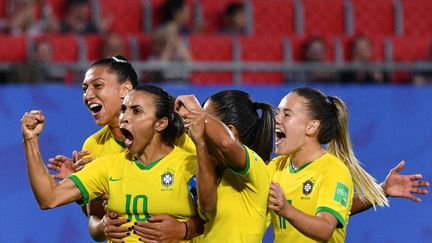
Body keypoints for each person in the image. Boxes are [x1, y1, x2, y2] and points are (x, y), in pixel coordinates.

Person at [21, 85, 200, 242]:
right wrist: (31, 141)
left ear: (161, 124)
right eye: (124, 109)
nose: (124, 117)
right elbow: (49, 198)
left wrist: (185, 229)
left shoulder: (188, 165)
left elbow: (218, 216)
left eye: (136, 111)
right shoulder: (107, 167)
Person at [267, 87, 388, 242]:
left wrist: (286, 209)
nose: (277, 118)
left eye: (287, 114)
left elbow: (325, 229)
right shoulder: (275, 167)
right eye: (279, 112)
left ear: (311, 127)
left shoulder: (333, 170)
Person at [175, 90, 275, 242]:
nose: (198, 124)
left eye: (206, 119)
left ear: (231, 131)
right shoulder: (202, 159)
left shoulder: (256, 169)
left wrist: (196, 111)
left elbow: (226, 143)